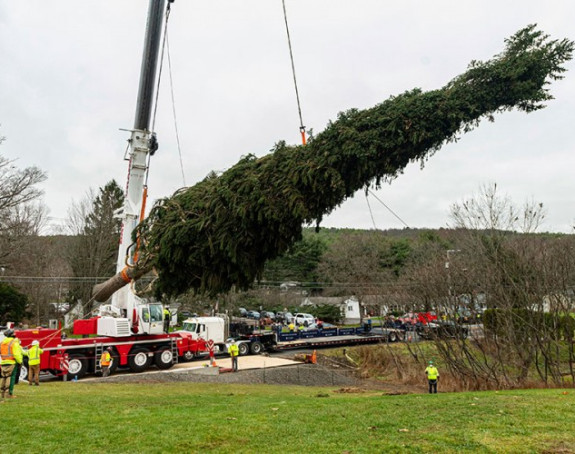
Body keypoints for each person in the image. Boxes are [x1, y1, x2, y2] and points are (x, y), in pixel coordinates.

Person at [1, 329, 23, 399]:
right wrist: (20, 361)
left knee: (4, 378)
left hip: (3, 362)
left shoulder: (2, 342)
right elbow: (16, 354)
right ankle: (9, 394)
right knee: (11, 378)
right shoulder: (14, 343)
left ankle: (2, 393)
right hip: (12, 363)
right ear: (12, 335)